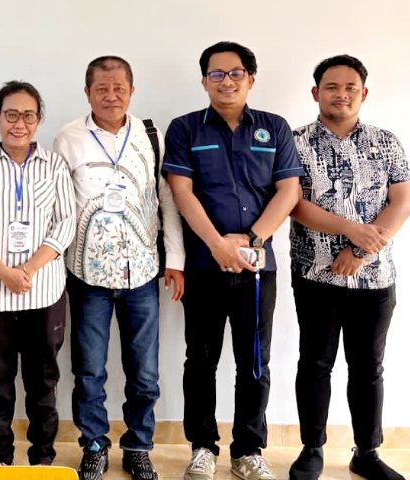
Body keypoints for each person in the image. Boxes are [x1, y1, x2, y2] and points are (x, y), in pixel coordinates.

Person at [161, 41, 303, 480]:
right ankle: (202, 447)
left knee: (254, 361)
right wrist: (217, 245)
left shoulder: (274, 128)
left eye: (236, 73)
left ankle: (248, 450)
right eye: (217, 74)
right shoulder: (185, 128)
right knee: (200, 361)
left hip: (258, 269)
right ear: (204, 81)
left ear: (251, 79)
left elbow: (289, 191)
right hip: (205, 268)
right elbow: (181, 192)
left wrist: (253, 239)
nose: (227, 81)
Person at [53, 56, 185, 480]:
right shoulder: (68, 138)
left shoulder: (150, 134)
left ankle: (138, 446)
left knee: (144, 372)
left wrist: (175, 260)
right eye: (101, 89)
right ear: (87, 92)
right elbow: (60, 205)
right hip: (86, 275)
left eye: (119, 88)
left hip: (142, 272)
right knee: (89, 370)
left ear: (131, 90)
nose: (111, 96)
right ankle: (94, 445)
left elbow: (167, 199)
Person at [287, 54, 410, 480]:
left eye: (350, 88)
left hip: (375, 277)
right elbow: (293, 204)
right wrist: (351, 230)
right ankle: (312, 449)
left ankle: (367, 453)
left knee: (368, 368)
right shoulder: (295, 142)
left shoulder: (386, 141)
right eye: (332, 87)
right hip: (315, 273)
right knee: (315, 364)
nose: (341, 94)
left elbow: (402, 203)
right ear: (316, 92)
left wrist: (359, 251)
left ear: (363, 93)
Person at [0, 81, 76, 467]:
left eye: (28, 116)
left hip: (44, 291)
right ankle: (1, 459)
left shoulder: (55, 165)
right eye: (11, 115)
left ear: (38, 120)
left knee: (43, 383)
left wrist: (27, 269)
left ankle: (42, 459)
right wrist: (4, 272)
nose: (19, 124)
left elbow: (65, 224)